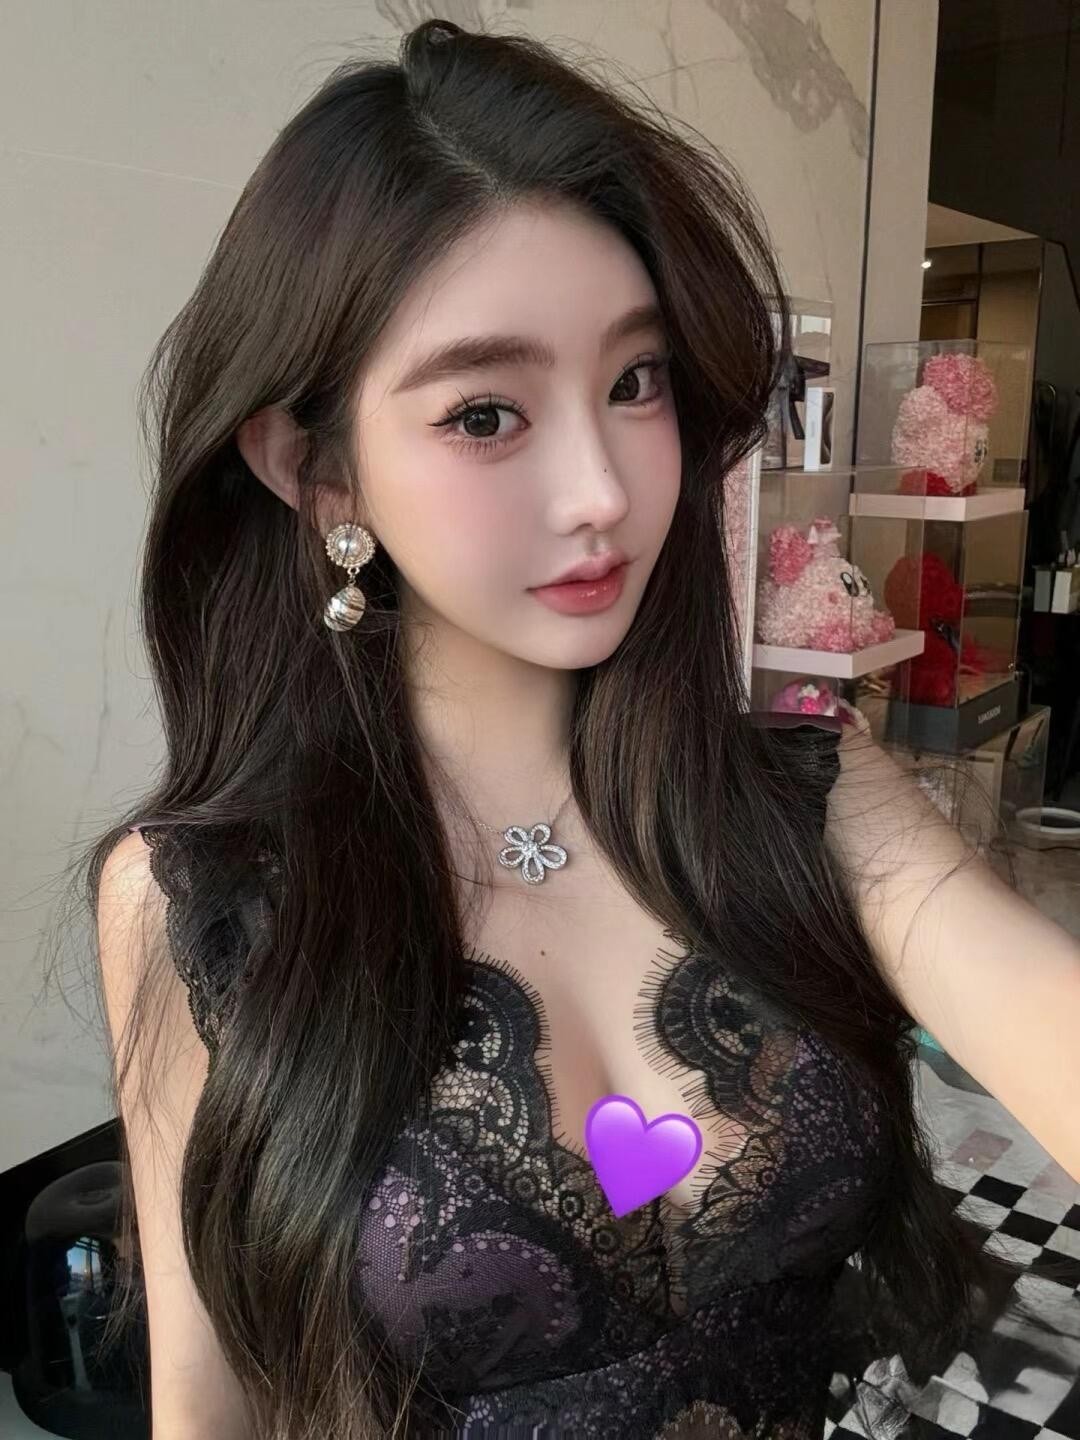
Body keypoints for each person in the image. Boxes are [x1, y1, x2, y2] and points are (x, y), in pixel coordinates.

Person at [88, 17, 1080, 1440]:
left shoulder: (802, 797)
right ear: (317, 472)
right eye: (487, 413)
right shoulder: (205, 901)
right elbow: (211, 1402)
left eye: (635, 381)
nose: (604, 489)